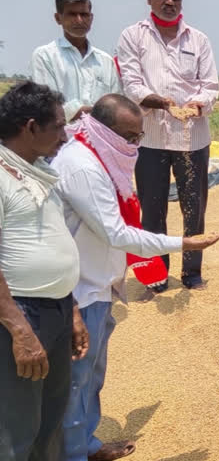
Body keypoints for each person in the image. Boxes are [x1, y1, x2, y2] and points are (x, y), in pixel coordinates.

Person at [52, 94, 219, 461]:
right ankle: (72, 453)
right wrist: (184, 242)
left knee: (91, 377)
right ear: (103, 129)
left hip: (98, 284)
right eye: (130, 136)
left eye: (138, 136)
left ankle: (87, 444)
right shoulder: (84, 167)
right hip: (81, 291)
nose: (135, 145)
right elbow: (117, 233)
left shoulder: (99, 154)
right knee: (76, 382)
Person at [0, 81, 88, 461]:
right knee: (16, 431)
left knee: (50, 423)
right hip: (19, 316)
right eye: (58, 125)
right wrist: (19, 329)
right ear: (31, 127)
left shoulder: (36, 172)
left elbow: (52, 244)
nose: (65, 134)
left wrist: (70, 309)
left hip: (53, 311)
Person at [116, 0, 219, 291]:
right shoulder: (133, 36)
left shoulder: (198, 39)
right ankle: (157, 274)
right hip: (151, 139)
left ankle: (192, 273)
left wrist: (196, 104)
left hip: (193, 139)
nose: (169, 2)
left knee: (194, 209)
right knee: (153, 210)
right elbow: (132, 85)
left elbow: (211, 85)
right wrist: (162, 102)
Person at [31, 0, 121, 123]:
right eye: (72, 14)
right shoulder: (45, 56)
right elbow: (48, 106)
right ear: (58, 18)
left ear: (91, 17)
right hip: (61, 139)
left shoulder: (105, 61)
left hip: (99, 140)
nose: (79, 20)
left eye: (84, 14)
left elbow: (116, 104)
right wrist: (99, 113)